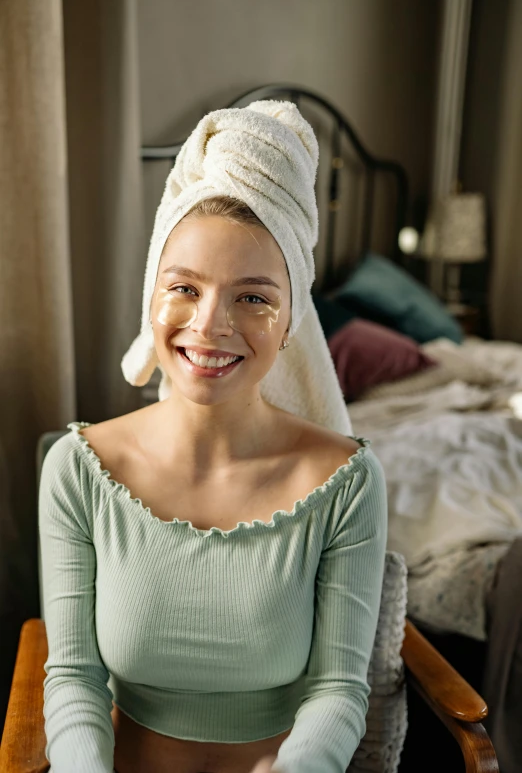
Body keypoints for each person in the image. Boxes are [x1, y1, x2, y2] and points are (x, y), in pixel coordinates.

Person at [39, 101, 388, 773]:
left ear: (291, 323)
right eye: (184, 288)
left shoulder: (345, 480)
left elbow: (338, 688)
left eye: (253, 297)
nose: (209, 325)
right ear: (152, 297)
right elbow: (75, 678)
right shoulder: (79, 469)